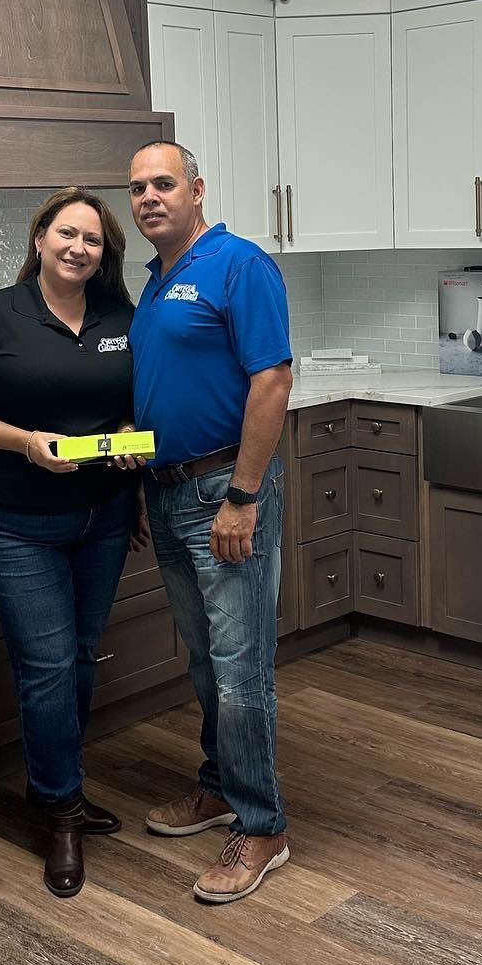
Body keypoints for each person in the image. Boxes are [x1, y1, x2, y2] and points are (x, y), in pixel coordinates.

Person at [0, 187, 141, 899]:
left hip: (101, 517)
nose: (79, 247)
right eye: (67, 233)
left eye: (93, 239)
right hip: (12, 520)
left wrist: (131, 460)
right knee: (48, 666)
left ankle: (60, 789)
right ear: (41, 238)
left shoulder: (119, 316)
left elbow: (129, 406)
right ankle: (58, 812)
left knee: (78, 657)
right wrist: (23, 441)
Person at [127, 141, 294, 904]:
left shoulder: (239, 264)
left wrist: (243, 496)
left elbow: (273, 379)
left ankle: (262, 827)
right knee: (203, 660)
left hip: (222, 491)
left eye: (163, 183)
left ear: (197, 190)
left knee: (240, 665)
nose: (149, 198)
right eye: (137, 189)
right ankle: (220, 785)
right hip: (165, 492)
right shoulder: (155, 282)